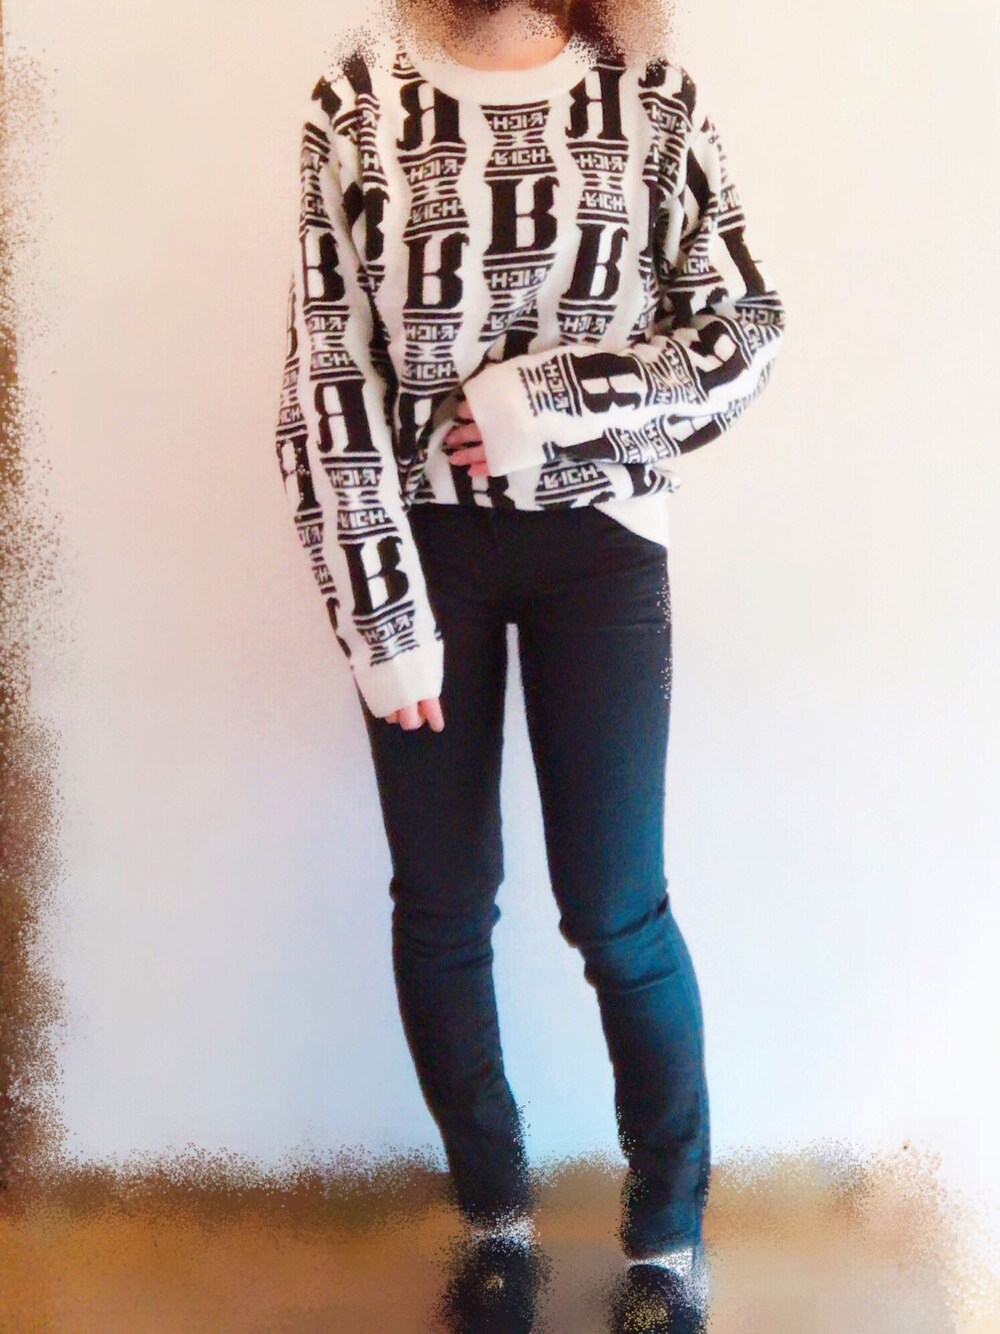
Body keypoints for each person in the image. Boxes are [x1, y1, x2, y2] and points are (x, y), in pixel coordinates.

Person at [274, 0, 785, 1324]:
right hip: (424, 548)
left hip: (602, 546)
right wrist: (378, 611)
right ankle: (496, 1221)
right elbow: (326, 376)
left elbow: (743, 330)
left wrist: (548, 402)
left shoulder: (651, 96)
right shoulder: (358, 100)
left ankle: (665, 1237)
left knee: (617, 907)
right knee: (445, 905)